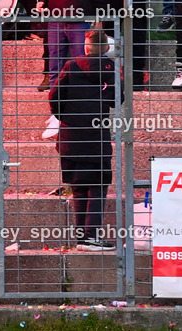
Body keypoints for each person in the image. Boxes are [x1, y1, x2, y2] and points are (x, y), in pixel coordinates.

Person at [50, 28, 116, 251]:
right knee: (97, 187)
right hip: (96, 138)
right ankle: (91, 237)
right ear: (107, 48)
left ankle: (82, 238)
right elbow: (118, 99)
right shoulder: (111, 69)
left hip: (71, 137)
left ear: (86, 47)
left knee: (78, 188)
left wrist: (65, 118)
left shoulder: (71, 65)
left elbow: (54, 95)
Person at [37, 0, 99, 139]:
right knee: (55, 66)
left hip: (78, 19)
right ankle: (56, 114)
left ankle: (81, 113)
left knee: (80, 65)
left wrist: (96, 13)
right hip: (55, 19)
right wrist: (43, 1)